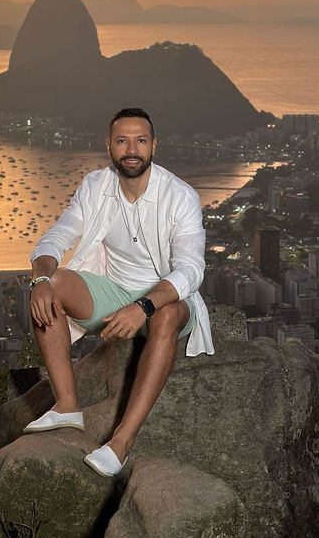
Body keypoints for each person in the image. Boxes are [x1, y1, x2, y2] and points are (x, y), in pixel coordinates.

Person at [24, 107, 213, 477]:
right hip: (111, 290)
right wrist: (39, 279)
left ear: (154, 146)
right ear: (109, 146)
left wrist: (142, 306)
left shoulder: (180, 196)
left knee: (167, 314)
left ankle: (121, 442)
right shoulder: (95, 186)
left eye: (140, 140)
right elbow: (57, 236)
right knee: (52, 285)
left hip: (163, 298)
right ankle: (66, 405)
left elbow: (192, 269)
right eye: (123, 141)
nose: (132, 149)